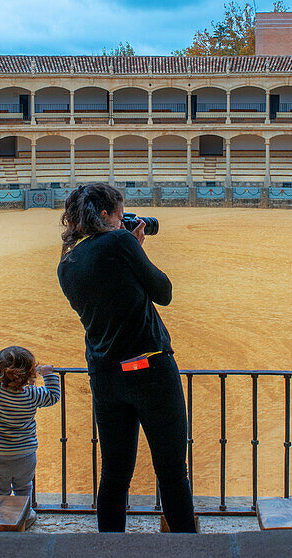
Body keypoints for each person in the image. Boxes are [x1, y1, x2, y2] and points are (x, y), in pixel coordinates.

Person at [56, 182, 196, 533]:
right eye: (120, 214)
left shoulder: (67, 263)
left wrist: (126, 246)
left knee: (114, 477)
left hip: (106, 377)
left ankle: (110, 549)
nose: (125, 220)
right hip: (150, 370)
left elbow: (109, 296)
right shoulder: (120, 242)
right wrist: (134, 247)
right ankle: (188, 548)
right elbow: (163, 292)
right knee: (172, 475)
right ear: (105, 216)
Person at [0, 346, 60, 529]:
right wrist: (49, 374)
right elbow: (53, 396)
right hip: (24, 454)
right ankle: (24, 516)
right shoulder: (32, 394)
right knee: (24, 487)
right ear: (30, 373)